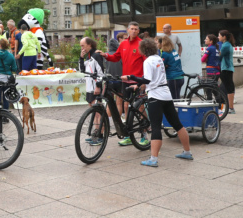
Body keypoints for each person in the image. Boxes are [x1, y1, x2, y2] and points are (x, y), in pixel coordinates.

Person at [121, 38, 193, 167]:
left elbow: (147, 80)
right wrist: (139, 84)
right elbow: (154, 77)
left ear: (143, 50)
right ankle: (187, 152)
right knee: (177, 124)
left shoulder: (148, 61)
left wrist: (131, 77)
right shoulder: (159, 58)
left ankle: (153, 159)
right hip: (166, 94)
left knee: (155, 127)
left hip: (155, 96)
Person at [97, 22, 144, 140]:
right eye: (132, 29)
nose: (133, 31)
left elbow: (146, 62)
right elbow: (116, 57)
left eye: (136, 29)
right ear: (128, 30)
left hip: (137, 80)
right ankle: (128, 133)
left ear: (138, 31)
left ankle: (145, 133)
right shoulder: (123, 44)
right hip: (125, 80)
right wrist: (105, 55)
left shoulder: (141, 44)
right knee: (127, 105)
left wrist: (143, 80)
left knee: (140, 106)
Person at [79, 37, 105, 145]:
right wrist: (81, 57)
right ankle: (96, 133)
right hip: (89, 87)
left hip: (95, 88)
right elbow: (82, 70)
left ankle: (101, 136)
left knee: (98, 113)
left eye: (83, 45)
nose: (82, 48)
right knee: (93, 113)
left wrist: (98, 86)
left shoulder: (96, 55)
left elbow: (101, 72)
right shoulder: (88, 56)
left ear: (89, 45)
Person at [0, 38, 18, 109]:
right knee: (6, 98)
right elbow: (14, 69)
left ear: (0, 45)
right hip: (7, 79)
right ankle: (5, 115)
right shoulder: (10, 56)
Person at [218, 30, 236, 114]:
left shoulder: (225, 45)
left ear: (224, 37)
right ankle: (230, 107)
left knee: (228, 88)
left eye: (219, 36)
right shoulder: (227, 44)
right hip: (228, 68)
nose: (218, 37)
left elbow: (219, 57)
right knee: (228, 88)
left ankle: (230, 108)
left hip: (226, 69)